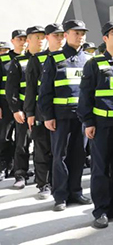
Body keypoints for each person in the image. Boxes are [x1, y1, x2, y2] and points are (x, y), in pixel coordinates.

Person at [77, 21, 113, 228]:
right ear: (105, 38)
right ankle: (101, 210)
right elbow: (86, 95)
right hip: (102, 125)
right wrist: (88, 122)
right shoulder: (95, 64)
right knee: (100, 168)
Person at [38, 20, 92, 211]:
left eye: (82, 33)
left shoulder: (89, 59)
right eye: (76, 33)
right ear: (66, 35)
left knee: (79, 155)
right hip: (61, 117)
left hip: (82, 117)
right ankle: (60, 195)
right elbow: (45, 90)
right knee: (60, 156)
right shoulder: (54, 59)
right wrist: (48, 116)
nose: (80, 36)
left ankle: (76, 191)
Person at [24, 24, 65, 198]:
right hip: (42, 112)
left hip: (63, 112)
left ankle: (60, 184)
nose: (60, 39)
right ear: (48, 37)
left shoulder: (69, 58)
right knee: (42, 149)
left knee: (61, 152)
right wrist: (30, 113)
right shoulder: (37, 59)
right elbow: (31, 88)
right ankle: (44, 184)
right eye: (56, 35)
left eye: (62, 35)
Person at [6, 26, 46, 189]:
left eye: (43, 37)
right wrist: (16, 109)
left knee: (42, 145)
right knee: (22, 143)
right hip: (23, 109)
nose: (41, 40)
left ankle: (41, 177)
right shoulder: (19, 61)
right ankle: (20, 174)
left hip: (42, 110)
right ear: (29, 40)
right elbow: (11, 88)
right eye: (37, 37)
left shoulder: (48, 59)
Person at [0, 31, 26, 181]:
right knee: (4, 137)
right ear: (12, 41)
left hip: (23, 105)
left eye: (24, 39)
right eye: (19, 39)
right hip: (5, 105)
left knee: (22, 140)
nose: (22, 42)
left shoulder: (30, 59)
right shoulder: (3, 60)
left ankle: (18, 168)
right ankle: (4, 166)